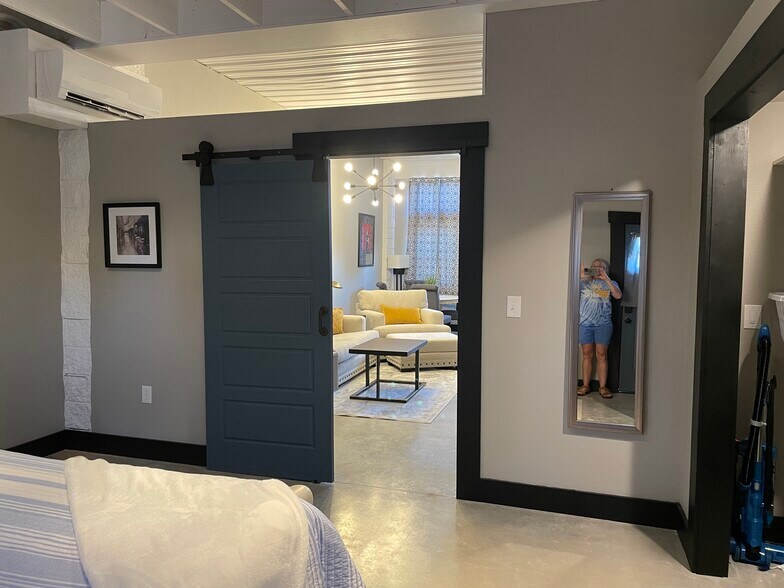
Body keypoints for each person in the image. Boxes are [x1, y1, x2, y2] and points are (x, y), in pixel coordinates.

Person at [577, 259, 621, 399]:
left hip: (603, 324)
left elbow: (618, 295)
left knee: (602, 355)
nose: (596, 268)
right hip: (585, 323)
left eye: (600, 267)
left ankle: (602, 387)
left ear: (605, 269)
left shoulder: (610, 283)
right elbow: (568, 292)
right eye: (594, 266)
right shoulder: (583, 283)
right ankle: (585, 385)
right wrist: (579, 276)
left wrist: (605, 278)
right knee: (586, 354)